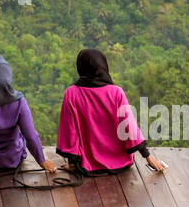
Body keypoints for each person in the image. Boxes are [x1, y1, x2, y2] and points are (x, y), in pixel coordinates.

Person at [56, 48, 167, 176]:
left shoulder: (71, 93)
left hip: (87, 166)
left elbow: (70, 131)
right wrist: (148, 157)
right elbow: (129, 128)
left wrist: (73, 164)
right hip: (121, 164)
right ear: (103, 66)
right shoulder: (116, 92)